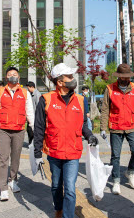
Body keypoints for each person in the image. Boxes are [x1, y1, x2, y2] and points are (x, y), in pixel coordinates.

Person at [33, 63, 98, 218]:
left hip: (73, 151)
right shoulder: (46, 100)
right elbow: (39, 128)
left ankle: (67, 216)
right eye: (69, 76)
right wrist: (36, 154)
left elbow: (82, 125)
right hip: (54, 151)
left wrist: (90, 135)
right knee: (56, 186)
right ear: (60, 82)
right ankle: (58, 207)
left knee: (69, 188)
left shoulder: (81, 100)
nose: (72, 79)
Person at [0, 67, 34, 201]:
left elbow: (29, 111)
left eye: (15, 74)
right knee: (3, 158)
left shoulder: (25, 93)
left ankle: (13, 180)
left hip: (19, 129)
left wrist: (34, 128)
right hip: (3, 130)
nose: (12, 76)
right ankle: (3, 188)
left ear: (18, 77)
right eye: (9, 74)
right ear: (6, 78)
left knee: (16, 157)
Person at [100, 63, 134, 194]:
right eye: (123, 77)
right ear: (119, 77)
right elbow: (105, 109)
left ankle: (130, 172)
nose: (126, 79)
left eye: (128, 77)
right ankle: (116, 181)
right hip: (116, 126)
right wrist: (103, 127)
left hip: (132, 126)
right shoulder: (110, 89)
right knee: (115, 156)